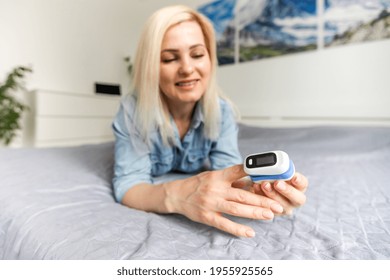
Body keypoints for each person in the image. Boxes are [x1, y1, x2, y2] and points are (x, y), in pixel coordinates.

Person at [112, 5, 308, 238]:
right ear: (151, 67)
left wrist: (262, 194)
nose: (187, 68)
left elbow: (228, 170)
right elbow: (128, 186)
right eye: (169, 58)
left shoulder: (222, 111)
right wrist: (174, 194)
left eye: (197, 55)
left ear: (210, 59)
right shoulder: (132, 111)